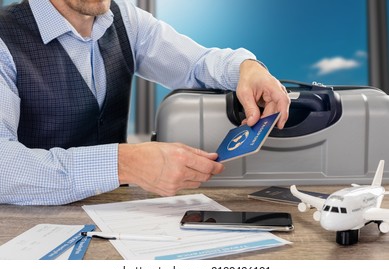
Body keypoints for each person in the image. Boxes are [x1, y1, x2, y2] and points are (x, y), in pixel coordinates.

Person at [0, 0, 290, 205]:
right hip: (31, 224)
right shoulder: (4, 38)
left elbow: (196, 64)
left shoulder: (125, 18)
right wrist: (124, 163)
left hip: (118, 212)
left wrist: (246, 68)